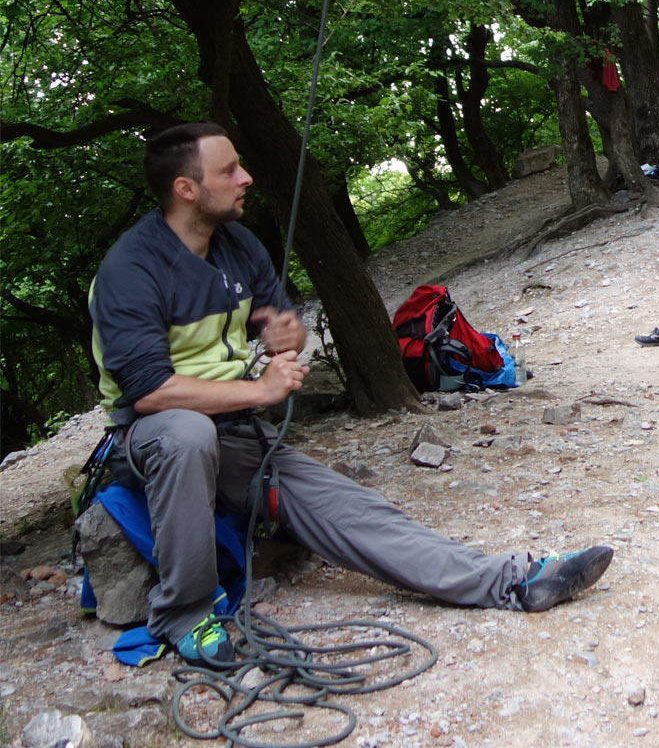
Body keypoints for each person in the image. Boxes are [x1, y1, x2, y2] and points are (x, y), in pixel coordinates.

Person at [89, 123, 613, 667]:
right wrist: (257, 388)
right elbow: (150, 393)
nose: (245, 177)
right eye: (228, 170)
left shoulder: (237, 246)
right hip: (153, 442)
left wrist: (286, 332)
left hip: (236, 438)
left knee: (357, 510)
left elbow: (281, 316)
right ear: (186, 189)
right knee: (185, 434)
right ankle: (185, 614)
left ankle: (514, 581)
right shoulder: (130, 270)